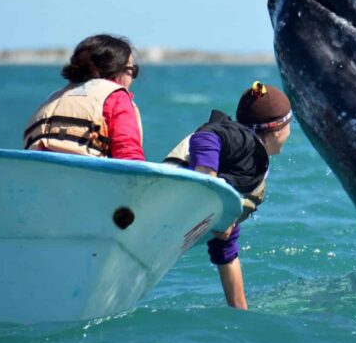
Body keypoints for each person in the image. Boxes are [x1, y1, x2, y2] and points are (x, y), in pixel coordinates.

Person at [163, 81, 293, 310]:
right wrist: (208, 190)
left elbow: (226, 248)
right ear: (278, 129)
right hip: (160, 205)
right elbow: (207, 135)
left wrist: (241, 312)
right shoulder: (243, 139)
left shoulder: (247, 162)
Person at [23, 34, 145, 161]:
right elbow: (128, 155)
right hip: (89, 172)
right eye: (133, 70)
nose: (132, 79)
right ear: (115, 69)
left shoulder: (49, 102)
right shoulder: (116, 97)